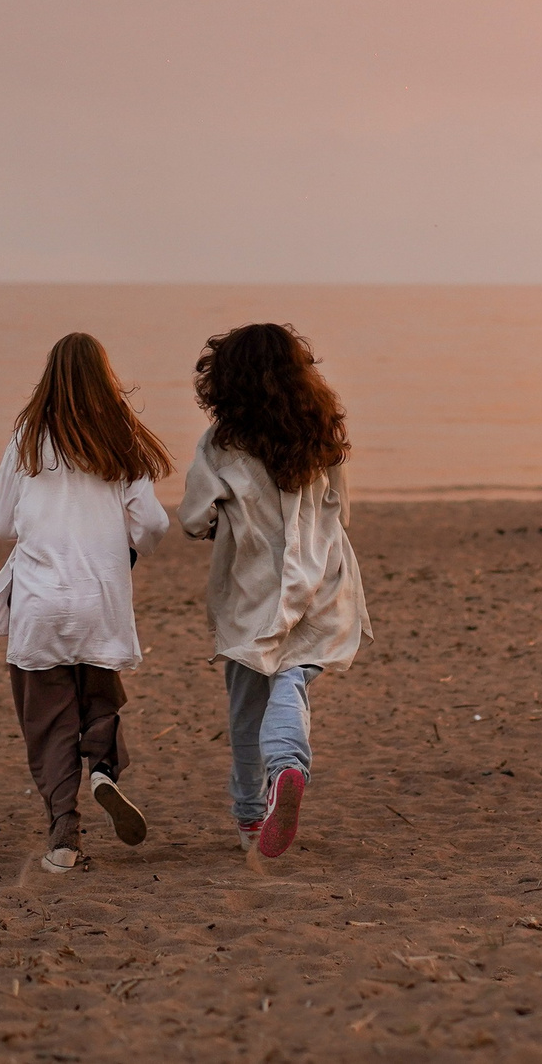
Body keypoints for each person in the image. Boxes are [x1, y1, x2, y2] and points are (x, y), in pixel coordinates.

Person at [0, 332, 173, 873]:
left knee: (49, 723)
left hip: (40, 603)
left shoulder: (27, 437)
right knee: (101, 694)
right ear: (105, 377)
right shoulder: (121, 437)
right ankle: (105, 769)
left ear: (49, 377)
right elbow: (153, 522)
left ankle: (64, 839)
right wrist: (129, 551)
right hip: (100, 599)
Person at [179, 322, 372, 860]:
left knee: (246, 702)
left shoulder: (221, 445)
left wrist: (225, 519)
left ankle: (249, 814)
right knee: (292, 681)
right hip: (323, 579)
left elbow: (195, 518)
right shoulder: (323, 432)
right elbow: (342, 511)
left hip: (254, 589)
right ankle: (289, 766)